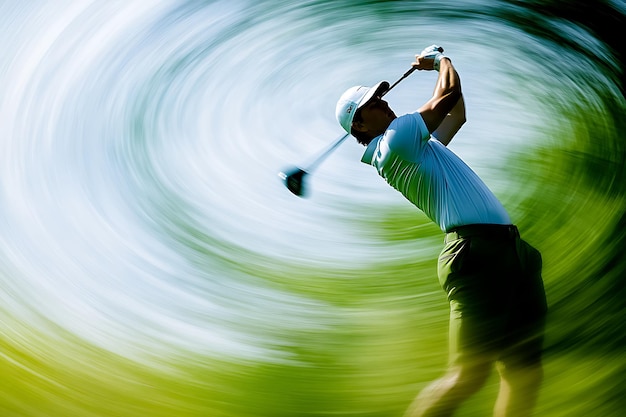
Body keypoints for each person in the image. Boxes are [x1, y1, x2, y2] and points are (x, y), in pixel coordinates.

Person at [335, 46, 548, 417]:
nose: (384, 104)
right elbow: (446, 95)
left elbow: (456, 113)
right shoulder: (398, 139)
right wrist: (438, 63)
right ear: (361, 126)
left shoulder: (415, 145)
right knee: (468, 375)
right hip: (475, 253)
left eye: (381, 97)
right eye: (373, 104)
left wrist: (442, 72)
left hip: (511, 251)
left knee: (524, 374)